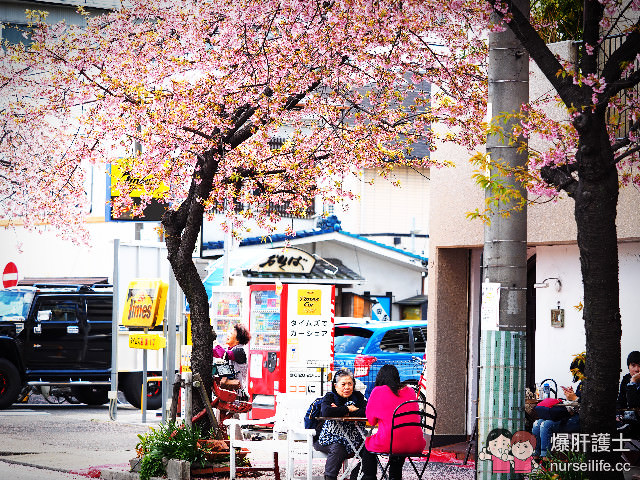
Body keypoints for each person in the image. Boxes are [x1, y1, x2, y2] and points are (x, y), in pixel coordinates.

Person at [361, 364, 426, 480]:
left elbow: (371, 421)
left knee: (368, 446)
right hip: (416, 443)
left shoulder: (378, 391)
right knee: (398, 442)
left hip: (391, 443)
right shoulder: (410, 391)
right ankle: (395, 477)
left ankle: (369, 477)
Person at [314, 369, 372, 480]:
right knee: (338, 447)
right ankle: (330, 477)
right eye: (343, 384)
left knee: (371, 448)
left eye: (350, 384)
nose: (347, 387)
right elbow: (326, 411)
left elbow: (368, 411)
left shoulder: (358, 396)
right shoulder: (330, 397)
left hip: (355, 439)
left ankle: (355, 476)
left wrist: (344, 411)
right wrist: (348, 408)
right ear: (335, 386)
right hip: (329, 439)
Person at [532, 354, 584, 458]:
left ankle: (545, 458)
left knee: (546, 425)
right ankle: (536, 456)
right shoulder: (581, 385)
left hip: (580, 420)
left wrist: (574, 399)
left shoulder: (592, 384)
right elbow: (578, 402)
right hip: (573, 416)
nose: (576, 375)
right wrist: (571, 397)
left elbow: (586, 406)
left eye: (577, 371)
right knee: (537, 423)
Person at [213, 323, 251, 391]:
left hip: (238, 392)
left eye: (231, 334)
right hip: (231, 389)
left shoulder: (239, 351)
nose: (228, 335)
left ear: (237, 340)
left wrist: (215, 342)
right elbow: (217, 353)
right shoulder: (231, 349)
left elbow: (223, 355)